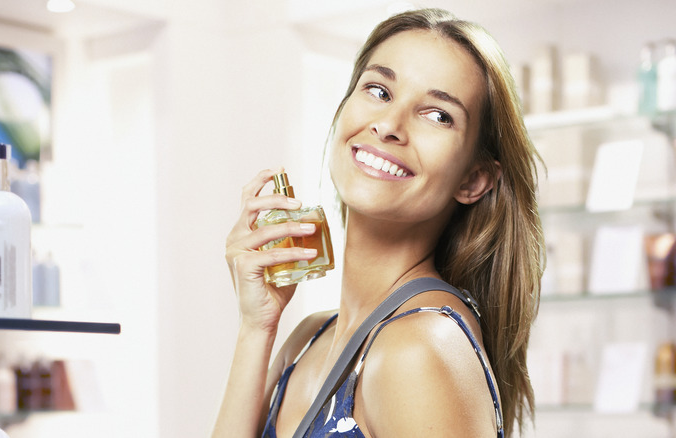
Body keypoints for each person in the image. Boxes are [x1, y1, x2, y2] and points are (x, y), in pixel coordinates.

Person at [213, 7, 544, 438]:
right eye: (379, 90)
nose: (388, 125)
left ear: (474, 178)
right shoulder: (310, 336)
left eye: (438, 115)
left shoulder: (420, 349)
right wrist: (257, 327)